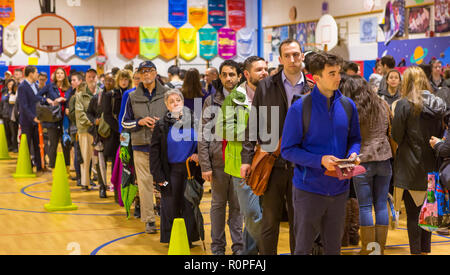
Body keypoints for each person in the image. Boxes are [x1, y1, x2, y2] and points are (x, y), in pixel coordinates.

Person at [280, 52, 362, 255]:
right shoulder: (299, 108)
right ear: (316, 78)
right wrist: (320, 160)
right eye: (332, 73)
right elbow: (287, 150)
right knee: (302, 248)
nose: (338, 77)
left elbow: (355, 139)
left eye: (339, 72)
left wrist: (353, 154)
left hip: (339, 189)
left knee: (334, 249)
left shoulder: (348, 106)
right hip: (308, 190)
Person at [241, 39, 311, 255]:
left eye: (296, 54)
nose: (292, 59)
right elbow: (253, 123)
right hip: (273, 163)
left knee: (300, 222)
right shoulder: (266, 85)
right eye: (287, 55)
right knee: (270, 221)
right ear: (280, 59)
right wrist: (246, 159)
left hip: (303, 165)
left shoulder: (313, 88)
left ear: (302, 56)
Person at [216, 56, 268, 255]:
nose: (264, 73)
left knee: (262, 214)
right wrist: (251, 135)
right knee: (253, 214)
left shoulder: (272, 94)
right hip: (241, 164)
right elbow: (222, 129)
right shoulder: (234, 98)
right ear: (246, 75)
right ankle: (266, 249)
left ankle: (248, 255)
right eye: (258, 70)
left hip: (268, 163)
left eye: (266, 69)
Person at [392, 66, 446, 255]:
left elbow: (396, 135)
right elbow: (440, 136)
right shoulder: (439, 104)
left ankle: (416, 252)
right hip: (432, 164)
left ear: (406, 82)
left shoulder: (403, 105)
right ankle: (425, 252)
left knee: (413, 215)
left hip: (410, 166)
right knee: (428, 213)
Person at [343, 75, 393, 255]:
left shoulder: (352, 108)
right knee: (380, 204)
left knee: (365, 206)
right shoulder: (382, 103)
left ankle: (368, 249)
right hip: (384, 159)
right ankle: (379, 249)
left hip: (362, 161)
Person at [198, 59, 244, 255]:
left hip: (240, 162)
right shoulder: (211, 101)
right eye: (224, 74)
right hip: (217, 163)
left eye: (231, 74)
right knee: (217, 206)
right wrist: (205, 165)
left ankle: (239, 247)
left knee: (237, 208)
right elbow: (203, 135)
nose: (228, 78)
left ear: (239, 76)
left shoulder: (246, 99)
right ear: (220, 77)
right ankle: (217, 248)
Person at [122, 61, 169, 234]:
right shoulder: (132, 97)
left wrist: (162, 124)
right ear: (139, 75)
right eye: (143, 72)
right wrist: (139, 122)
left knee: (164, 183)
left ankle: (167, 216)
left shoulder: (167, 93)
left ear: (156, 73)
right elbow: (124, 123)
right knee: (144, 185)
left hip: (163, 146)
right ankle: (149, 220)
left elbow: (179, 117)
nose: (146, 74)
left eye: (149, 71)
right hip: (140, 146)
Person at [150, 89, 202, 245]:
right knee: (170, 205)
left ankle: (189, 239)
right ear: (167, 105)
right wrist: (158, 177)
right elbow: (154, 153)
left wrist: (199, 155)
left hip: (190, 171)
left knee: (189, 204)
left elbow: (203, 144)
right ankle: (172, 239)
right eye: (171, 101)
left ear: (183, 101)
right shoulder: (161, 125)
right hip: (169, 172)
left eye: (178, 100)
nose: (175, 103)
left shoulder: (195, 120)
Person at [38, 68, 71, 170]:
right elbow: (38, 96)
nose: (60, 75)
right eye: (58, 73)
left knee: (66, 142)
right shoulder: (50, 86)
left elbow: (71, 99)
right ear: (55, 75)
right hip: (53, 118)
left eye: (62, 73)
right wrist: (46, 99)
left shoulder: (69, 87)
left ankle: (67, 164)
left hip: (65, 119)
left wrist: (63, 99)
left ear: (65, 75)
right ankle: (52, 165)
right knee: (53, 143)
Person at [17, 66, 42, 172]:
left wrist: (47, 100)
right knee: (27, 144)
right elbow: (24, 105)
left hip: (37, 120)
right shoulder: (22, 86)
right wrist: (33, 117)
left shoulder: (35, 85)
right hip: (27, 121)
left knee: (38, 144)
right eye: (36, 73)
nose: (38, 74)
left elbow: (36, 99)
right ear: (31, 74)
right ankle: (28, 166)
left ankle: (40, 166)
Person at [1, 79, 18, 152]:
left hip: (12, 115)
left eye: (12, 84)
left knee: (14, 132)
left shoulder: (16, 93)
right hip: (4, 114)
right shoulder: (4, 92)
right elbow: (1, 103)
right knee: (7, 131)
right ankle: (9, 146)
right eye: (9, 84)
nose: (10, 86)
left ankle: (15, 147)